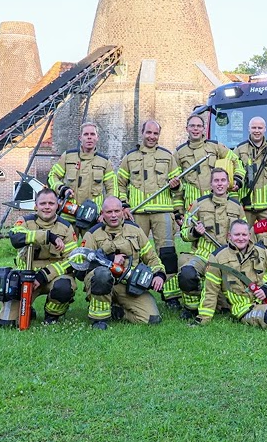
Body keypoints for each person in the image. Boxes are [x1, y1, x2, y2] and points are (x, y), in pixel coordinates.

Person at [116, 119, 183, 309]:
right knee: (133, 253)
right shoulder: (129, 157)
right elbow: (119, 184)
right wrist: (124, 205)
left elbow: (179, 190)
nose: (152, 137)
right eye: (149, 133)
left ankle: (170, 296)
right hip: (137, 214)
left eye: (155, 134)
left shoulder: (167, 157)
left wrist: (177, 192)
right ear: (142, 133)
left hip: (163, 213)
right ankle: (133, 291)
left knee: (168, 255)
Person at [77, 196, 165, 329]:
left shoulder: (135, 231)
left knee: (151, 318)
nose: (113, 215)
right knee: (102, 275)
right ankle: (99, 319)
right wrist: (110, 260)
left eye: (117, 211)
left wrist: (159, 274)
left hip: (129, 285)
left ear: (123, 211)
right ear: (102, 213)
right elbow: (81, 269)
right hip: (102, 282)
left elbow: (152, 258)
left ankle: (116, 312)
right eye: (109, 212)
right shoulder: (92, 234)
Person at [0, 187, 78, 326]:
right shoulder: (25, 221)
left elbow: (72, 260)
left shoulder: (66, 227)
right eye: (43, 203)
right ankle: (28, 309)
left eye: (51, 203)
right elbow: (16, 238)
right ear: (36, 206)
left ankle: (51, 314)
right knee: (6, 324)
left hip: (53, 276)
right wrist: (47, 236)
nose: (47, 207)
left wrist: (44, 275)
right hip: (25, 277)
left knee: (64, 287)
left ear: (57, 205)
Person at [176, 167, 246, 319]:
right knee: (187, 274)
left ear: (228, 183)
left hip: (228, 259)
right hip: (203, 256)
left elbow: (246, 236)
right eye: (216, 181)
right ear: (211, 184)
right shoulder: (198, 205)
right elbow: (183, 233)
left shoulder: (237, 207)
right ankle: (191, 308)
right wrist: (194, 232)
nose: (219, 184)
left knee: (229, 303)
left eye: (223, 180)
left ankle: (219, 300)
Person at [174, 113, 245, 215]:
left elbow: (237, 161)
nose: (195, 129)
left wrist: (237, 179)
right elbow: (176, 185)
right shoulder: (179, 153)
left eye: (199, 126)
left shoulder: (215, 147)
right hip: (193, 207)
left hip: (217, 205)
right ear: (187, 129)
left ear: (203, 128)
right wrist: (178, 211)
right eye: (192, 126)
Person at [48, 121, 118, 223]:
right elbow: (52, 176)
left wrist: (106, 212)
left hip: (93, 217)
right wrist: (62, 189)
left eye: (92, 134)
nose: (89, 137)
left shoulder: (105, 162)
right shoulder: (68, 156)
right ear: (80, 138)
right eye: (86, 134)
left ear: (97, 137)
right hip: (68, 215)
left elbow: (112, 189)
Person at [233, 116, 267, 224]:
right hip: (247, 207)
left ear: (265, 129)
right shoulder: (239, 149)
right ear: (249, 129)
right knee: (243, 237)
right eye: (254, 128)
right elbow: (234, 173)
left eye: (259, 128)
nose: (257, 131)